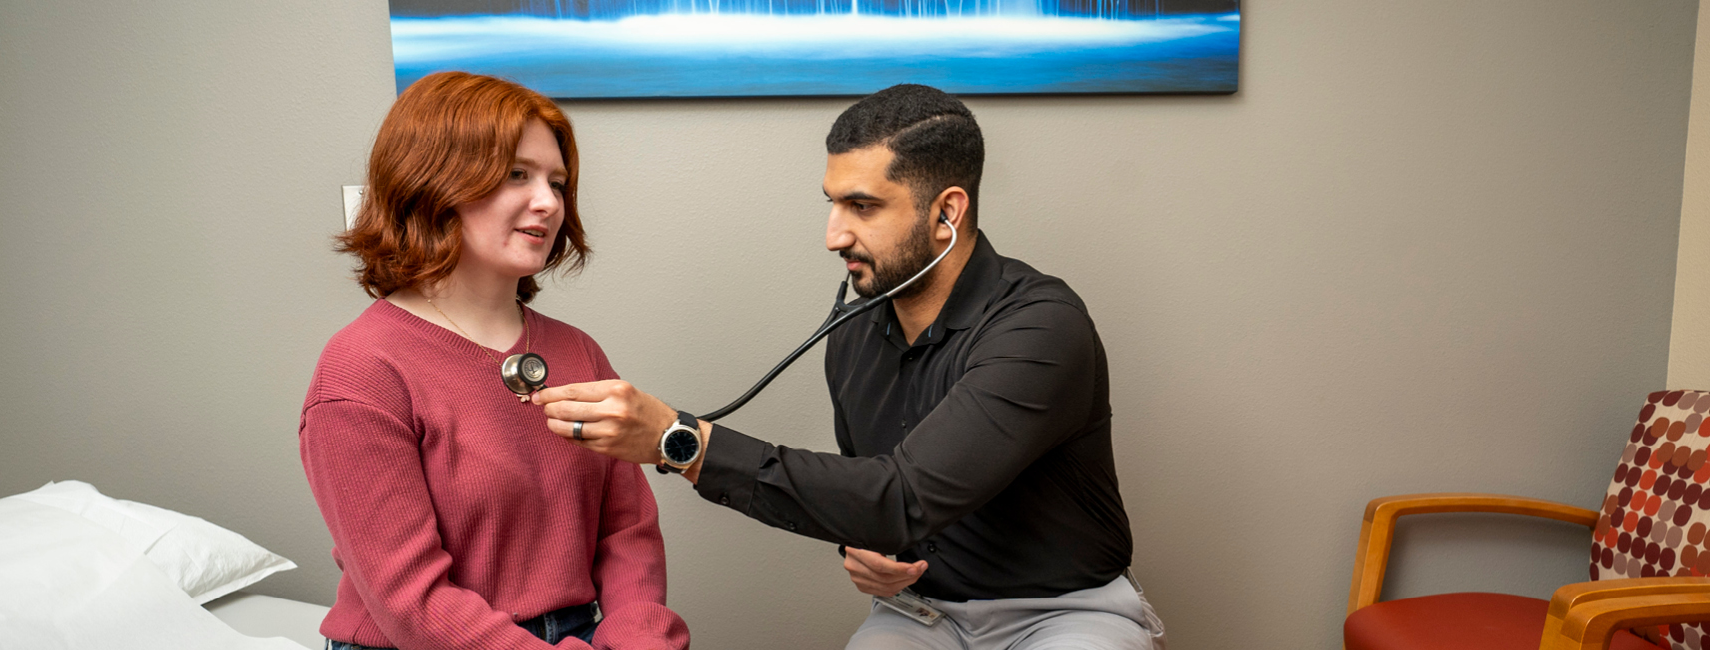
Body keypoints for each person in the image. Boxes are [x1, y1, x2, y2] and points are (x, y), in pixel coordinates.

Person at [530, 84, 1163, 649]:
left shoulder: (1041, 327)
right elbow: (872, 496)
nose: (833, 235)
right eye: (833, 203)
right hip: (921, 613)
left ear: (947, 212)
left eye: (862, 207)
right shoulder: (854, 334)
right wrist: (861, 547)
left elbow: (903, 497)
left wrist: (685, 442)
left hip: (1060, 614)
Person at [300, 71, 689, 650]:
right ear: (432, 180)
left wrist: (640, 639)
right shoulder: (362, 370)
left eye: (557, 182)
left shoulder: (576, 350)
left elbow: (627, 530)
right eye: (516, 175)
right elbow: (413, 601)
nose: (548, 202)